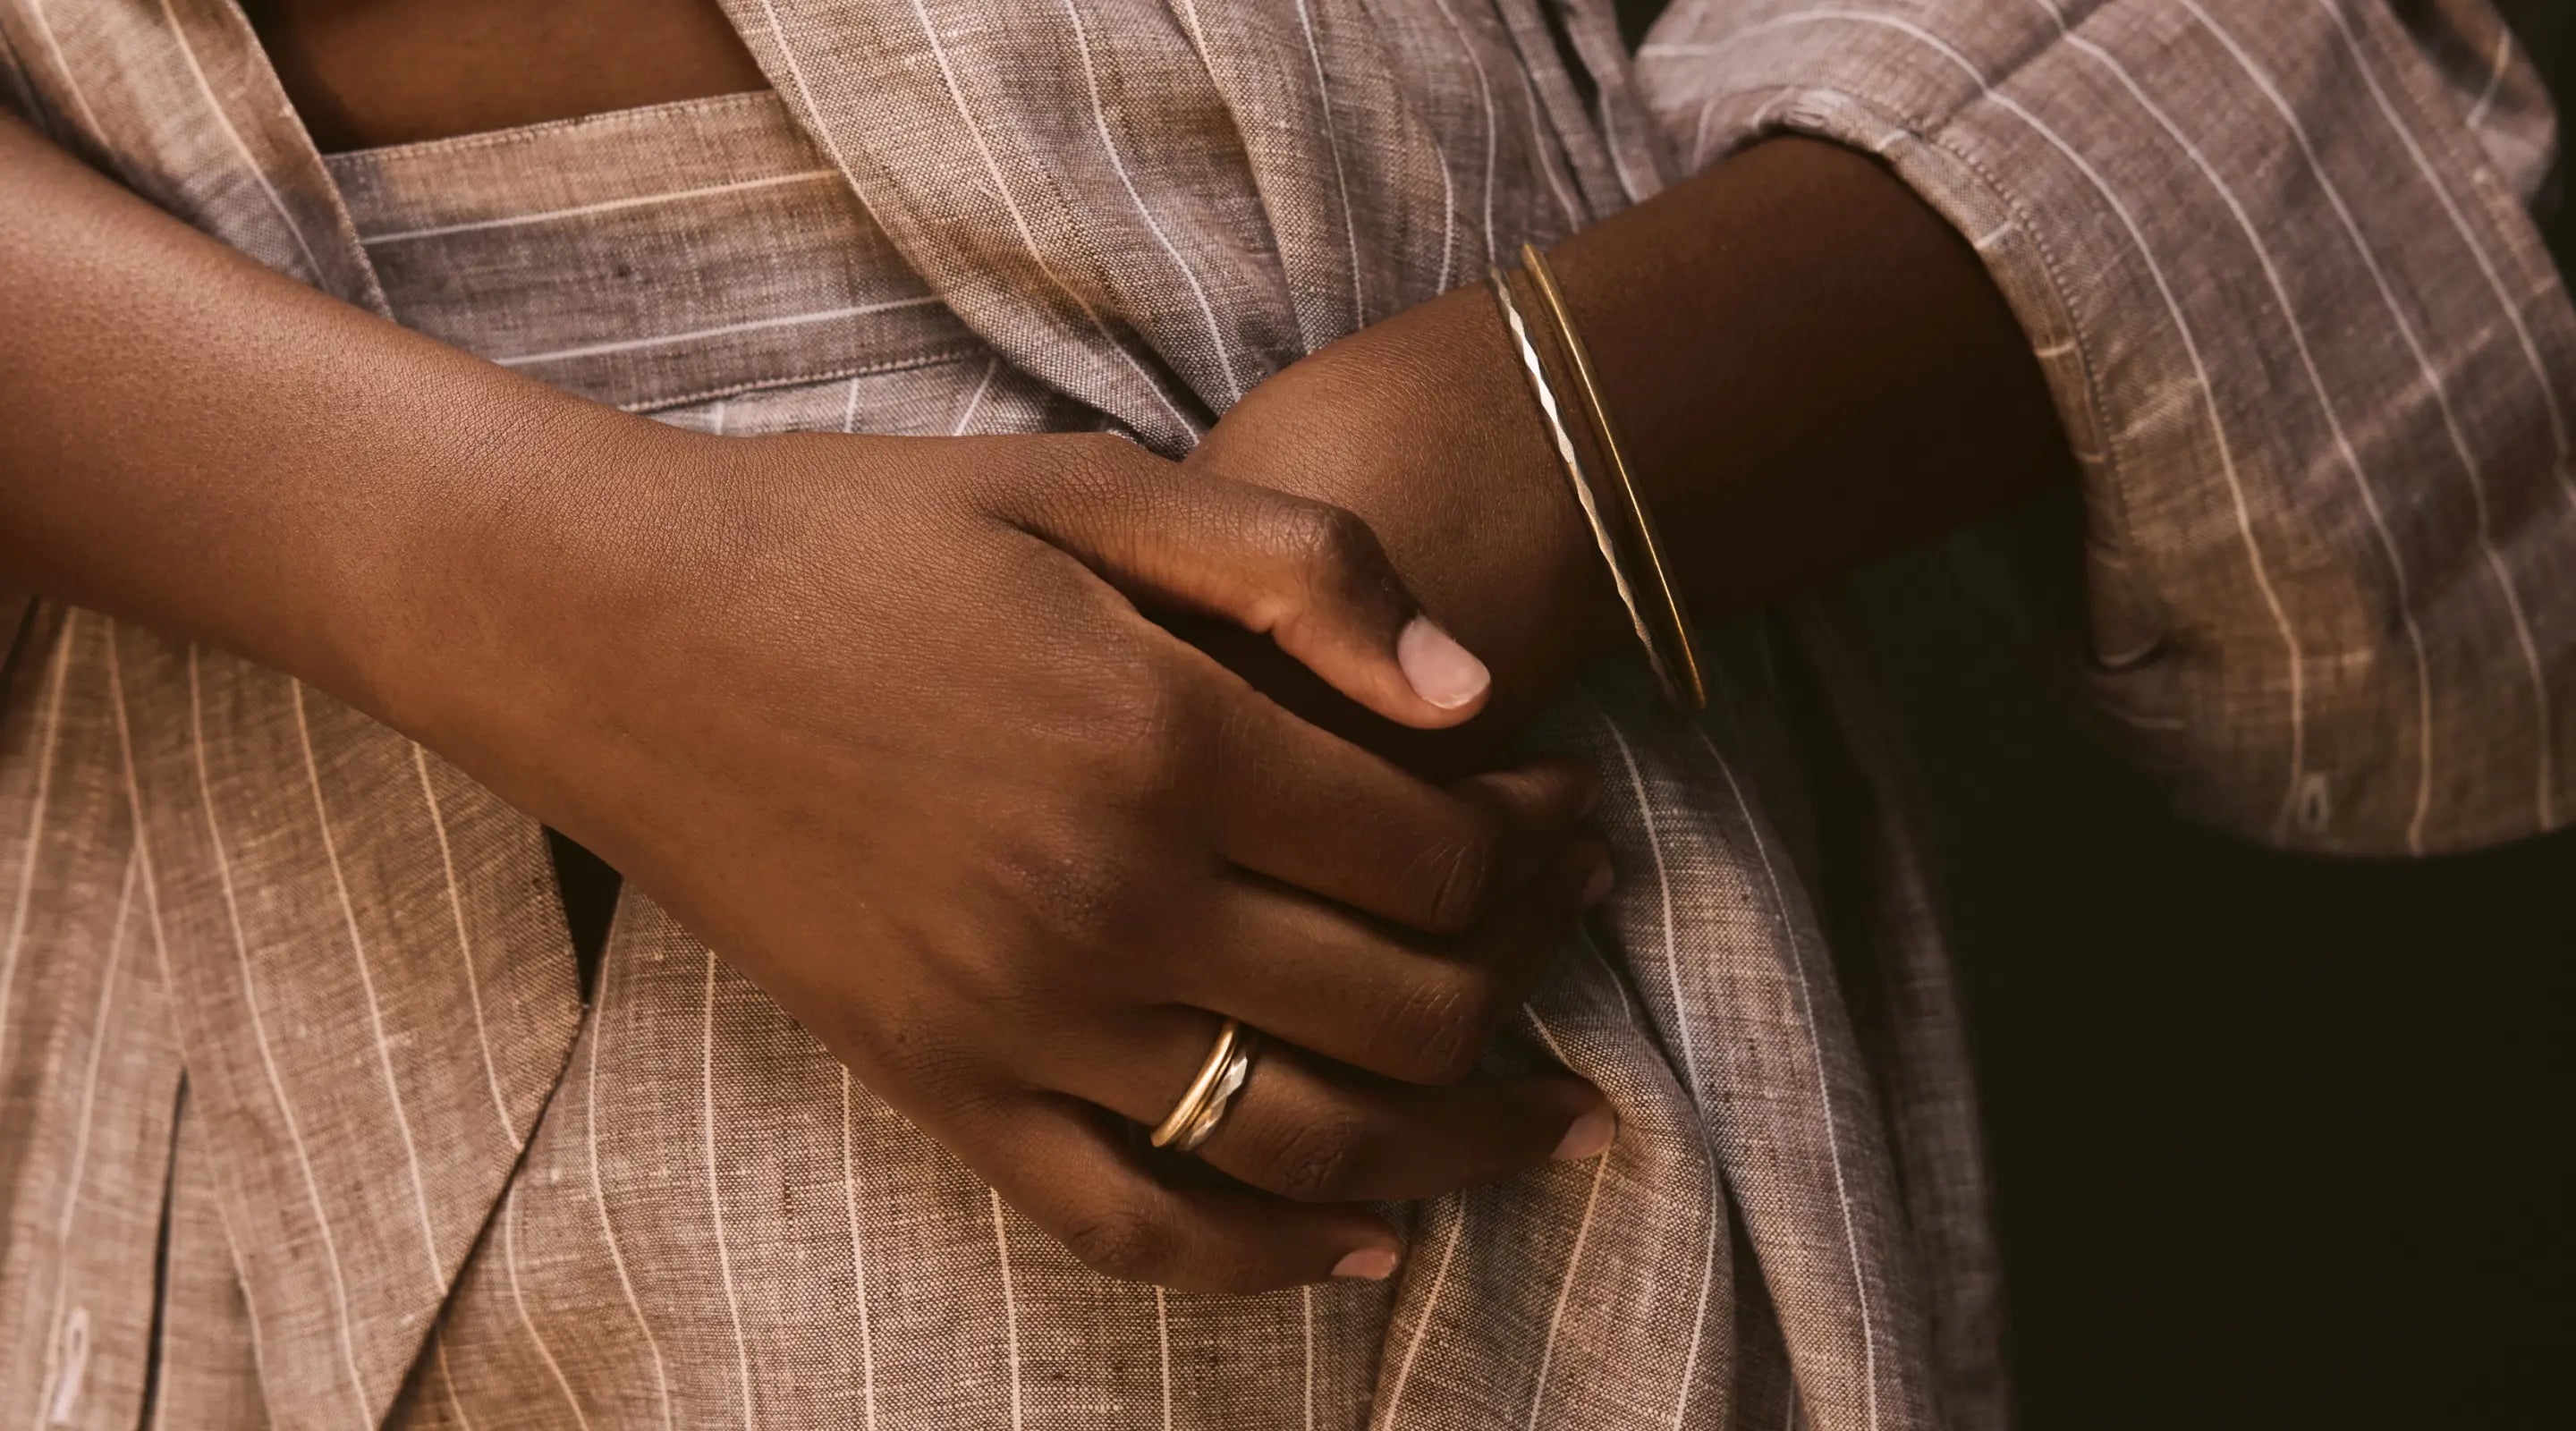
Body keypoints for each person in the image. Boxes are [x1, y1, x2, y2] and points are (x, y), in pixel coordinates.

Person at [0, 1, 2563, 1427]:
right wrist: (553, 593)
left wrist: (1529, 446)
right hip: (310, 990)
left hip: (1459, 948)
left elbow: (2270, 61)